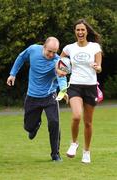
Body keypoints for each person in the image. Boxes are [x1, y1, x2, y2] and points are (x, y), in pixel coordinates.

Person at [7, 37, 67, 162]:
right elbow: (20, 57)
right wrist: (13, 74)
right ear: (43, 46)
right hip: (32, 96)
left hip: (50, 95)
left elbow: (62, 77)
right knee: (28, 127)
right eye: (49, 51)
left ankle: (55, 154)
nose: (51, 55)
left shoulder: (59, 61)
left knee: (54, 122)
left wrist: (63, 90)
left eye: (54, 52)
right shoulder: (33, 49)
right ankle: (35, 126)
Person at [57, 19, 102, 163]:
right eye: (78, 30)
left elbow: (99, 67)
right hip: (75, 85)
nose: (80, 32)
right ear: (75, 32)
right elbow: (59, 62)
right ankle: (74, 143)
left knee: (88, 122)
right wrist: (60, 70)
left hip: (90, 86)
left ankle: (86, 151)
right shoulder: (69, 48)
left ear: (87, 31)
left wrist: (97, 67)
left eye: (83, 30)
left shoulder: (95, 47)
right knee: (76, 116)